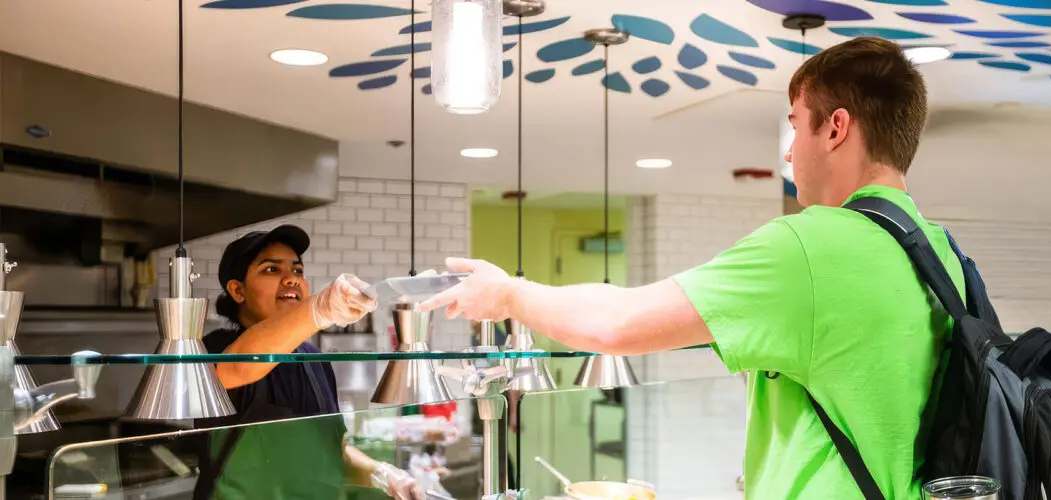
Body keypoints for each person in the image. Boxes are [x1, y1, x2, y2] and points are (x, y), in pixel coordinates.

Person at [420, 37, 962, 499]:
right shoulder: (944, 253)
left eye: (796, 126)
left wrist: (509, 294)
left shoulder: (809, 246)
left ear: (836, 128)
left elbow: (620, 323)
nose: (791, 153)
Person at [195, 225, 424, 500]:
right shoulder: (215, 348)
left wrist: (383, 474)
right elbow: (239, 367)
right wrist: (319, 309)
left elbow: (334, 454)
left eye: (297, 270)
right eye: (271, 269)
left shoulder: (314, 360)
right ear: (237, 290)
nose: (291, 279)